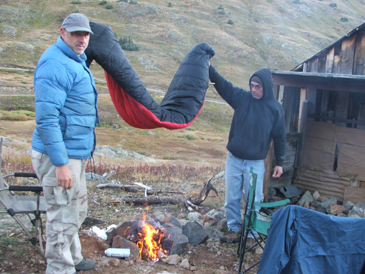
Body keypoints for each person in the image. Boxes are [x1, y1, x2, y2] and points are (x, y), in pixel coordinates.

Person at [31, 13, 98, 273]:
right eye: (76, 34)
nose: (82, 39)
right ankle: (59, 268)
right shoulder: (55, 63)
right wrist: (61, 164)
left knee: (77, 210)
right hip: (59, 156)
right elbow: (47, 120)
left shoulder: (74, 59)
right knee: (62, 215)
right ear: (63, 32)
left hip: (74, 153)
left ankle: (74, 258)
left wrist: (83, 154)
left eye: (85, 34)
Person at [208, 64, 286, 243]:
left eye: (258, 86)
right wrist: (210, 69)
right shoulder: (242, 98)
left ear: (266, 87)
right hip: (234, 159)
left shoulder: (275, 108)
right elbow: (224, 86)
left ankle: (249, 233)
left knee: (253, 200)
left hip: (255, 163)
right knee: (231, 198)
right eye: (252, 85)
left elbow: (280, 137)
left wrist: (279, 162)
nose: (254, 90)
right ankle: (233, 229)